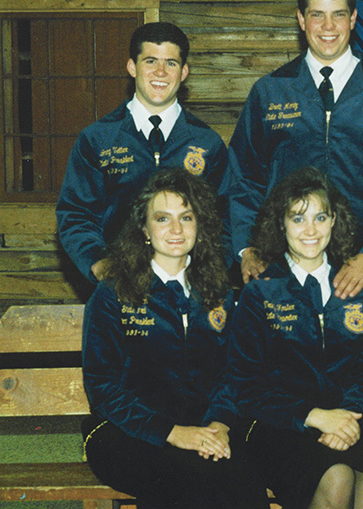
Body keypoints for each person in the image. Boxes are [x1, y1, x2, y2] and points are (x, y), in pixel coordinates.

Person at [227, 0, 363, 297]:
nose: (328, 27)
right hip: (282, 266)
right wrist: (248, 249)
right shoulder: (271, 91)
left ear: (353, 19)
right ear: (301, 20)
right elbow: (242, 178)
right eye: (317, 15)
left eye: (338, 15)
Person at [207, 166, 363, 509]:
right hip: (278, 426)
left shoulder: (352, 290)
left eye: (320, 217)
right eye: (298, 218)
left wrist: (351, 417)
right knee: (337, 479)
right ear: (281, 223)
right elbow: (244, 386)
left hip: (344, 421)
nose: (310, 230)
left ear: (334, 220)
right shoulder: (261, 293)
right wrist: (314, 415)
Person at [81, 168, 264, 509]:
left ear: (200, 225)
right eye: (162, 218)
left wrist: (220, 423)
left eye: (186, 217)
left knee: (243, 484)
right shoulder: (113, 294)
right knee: (182, 480)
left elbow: (234, 373)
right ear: (144, 229)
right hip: (127, 431)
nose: (176, 230)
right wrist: (173, 433)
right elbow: (103, 388)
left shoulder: (219, 292)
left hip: (205, 427)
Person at [57, 22, 229, 283]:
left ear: (184, 72)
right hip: (120, 282)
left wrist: (209, 274)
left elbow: (225, 217)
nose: (160, 72)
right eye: (150, 61)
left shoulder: (208, 143)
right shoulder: (97, 139)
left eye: (171, 63)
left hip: (188, 286)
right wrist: (99, 263)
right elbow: (76, 214)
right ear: (131, 67)